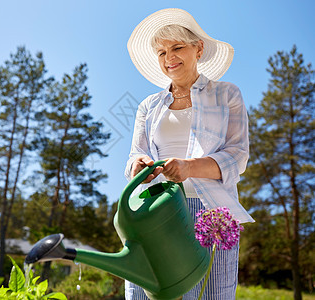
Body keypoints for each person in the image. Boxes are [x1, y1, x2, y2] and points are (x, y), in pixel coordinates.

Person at [124, 8, 254, 300]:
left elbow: (237, 156)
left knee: (210, 293)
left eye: (177, 47)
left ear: (199, 48)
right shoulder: (148, 106)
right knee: (149, 290)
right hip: (156, 209)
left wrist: (189, 167)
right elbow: (136, 155)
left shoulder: (227, 94)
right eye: (161, 52)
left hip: (211, 212)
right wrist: (139, 166)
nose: (169, 58)